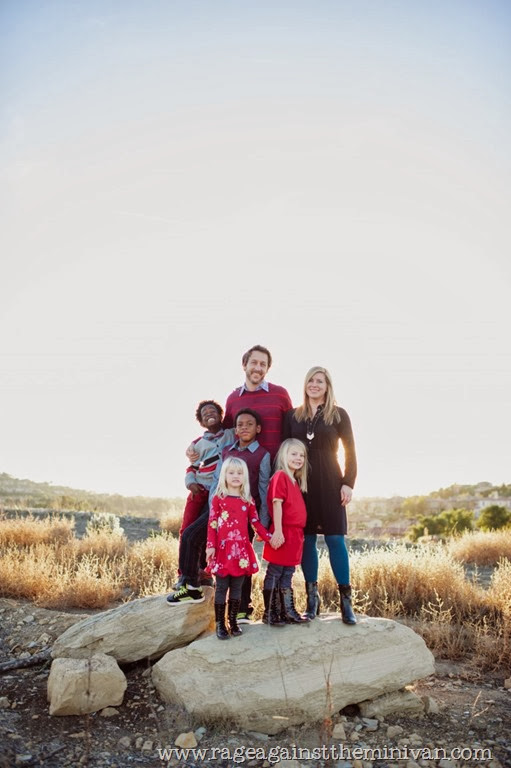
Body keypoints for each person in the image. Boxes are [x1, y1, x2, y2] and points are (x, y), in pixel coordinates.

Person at [282, 366, 358, 625]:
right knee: (307, 539)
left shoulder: (339, 415)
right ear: (304, 384)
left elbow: (350, 451)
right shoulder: (292, 416)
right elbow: (284, 451)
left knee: (335, 539)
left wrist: (348, 482)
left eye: (320, 381)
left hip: (331, 481)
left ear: (327, 386)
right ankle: (312, 600)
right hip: (301, 485)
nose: (314, 385)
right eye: (310, 380)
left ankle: (346, 602)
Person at [208, 408, 271, 623]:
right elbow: (217, 480)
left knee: (242, 569)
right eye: (240, 424)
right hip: (222, 526)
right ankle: (218, 619)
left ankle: (243, 609)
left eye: (249, 424)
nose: (244, 427)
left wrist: (264, 526)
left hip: (245, 519)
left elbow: (263, 488)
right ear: (235, 429)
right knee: (223, 579)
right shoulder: (227, 451)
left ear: (258, 429)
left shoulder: (262, 455)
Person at [205, 457, 275, 639]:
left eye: (239, 472)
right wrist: (210, 546)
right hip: (222, 550)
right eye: (231, 472)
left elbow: (255, 522)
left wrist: (268, 537)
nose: (236, 476)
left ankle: (233, 621)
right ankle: (221, 624)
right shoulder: (219, 499)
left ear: (244, 477)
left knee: (237, 587)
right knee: (221, 587)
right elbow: (212, 524)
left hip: (241, 552)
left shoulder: (247, 500)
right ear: (224, 475)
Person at [174, 400, 235, 589]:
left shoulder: (230, 435)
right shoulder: (197, 445)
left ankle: (205, 571)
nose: (209, 413)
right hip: (200, 489)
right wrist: (191, 484)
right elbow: (191, 467)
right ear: (201, 421)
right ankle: (184, 573)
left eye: (213, 410)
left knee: (208, 532)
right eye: (204, 413)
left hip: (219, 491)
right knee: (187, 529)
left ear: (221, 414)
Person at [262, 438, 309, 627]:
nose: (298, 458)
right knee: (275, 571)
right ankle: (270, 612)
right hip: (283, 532)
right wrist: (279, 531)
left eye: (302, 455)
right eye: (294, 454)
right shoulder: (280, 476)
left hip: (295, 535)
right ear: (284, 455)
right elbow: (277, 504)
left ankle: (286, 611)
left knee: (288, 573)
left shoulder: (295, 481)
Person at [222, 345, 293, 462]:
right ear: (244, 365)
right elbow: (224, 435)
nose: (258, 368)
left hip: (277, 466)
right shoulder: (232, 399)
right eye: (254, 363)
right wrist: (196, 445)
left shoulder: (280, 394)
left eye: (263, 364)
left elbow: (292, 430)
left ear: (267, 369)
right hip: (243, 470)